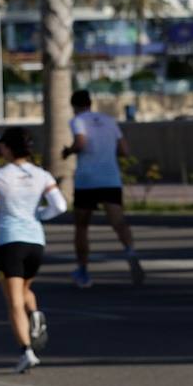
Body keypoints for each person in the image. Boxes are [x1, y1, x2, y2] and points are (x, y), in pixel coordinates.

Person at [0, 127, 66, 374]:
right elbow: (60, 205)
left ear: (7, 148)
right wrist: (39, 214)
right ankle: (36, 312)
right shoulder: (42, 175)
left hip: (10, 241)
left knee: (13, 301)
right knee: (25, 289)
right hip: (36, 241)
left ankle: (26, 351)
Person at [61, 90, 141, 288]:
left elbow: (80, 142)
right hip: (110, 178)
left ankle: (83, 271)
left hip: (87, 180)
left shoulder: (78, 120)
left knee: (81, 226)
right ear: (90, 103)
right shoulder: (109, 120)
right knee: (118, 221)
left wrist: (68, 151)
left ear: (74, 106)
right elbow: (124, 150)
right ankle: (130, 251)